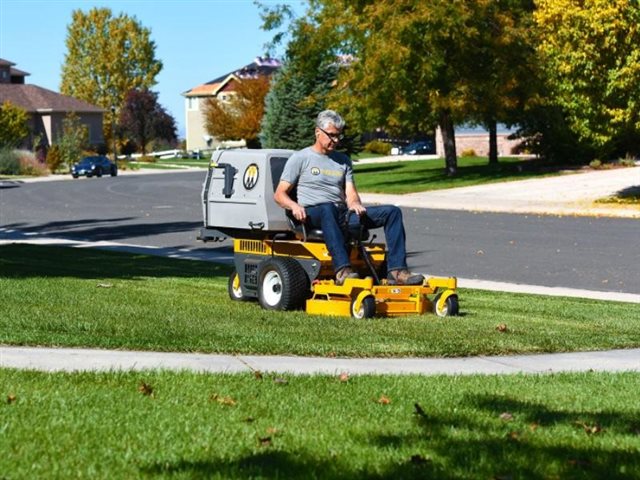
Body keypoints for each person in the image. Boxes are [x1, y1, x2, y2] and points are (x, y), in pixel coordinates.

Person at [274, 110, 424, 286]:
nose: (336, 140)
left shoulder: (343, 160)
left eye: (338, 136)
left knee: (392, 212)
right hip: (312, 215)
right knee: (327, 208)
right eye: (332, 135)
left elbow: (350, 192)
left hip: (340, 213)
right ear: (317, 132)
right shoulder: (300, 158)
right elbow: (279, 194)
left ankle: (397, 271)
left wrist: (355, 204)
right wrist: (294, 206)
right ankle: (343, 270)